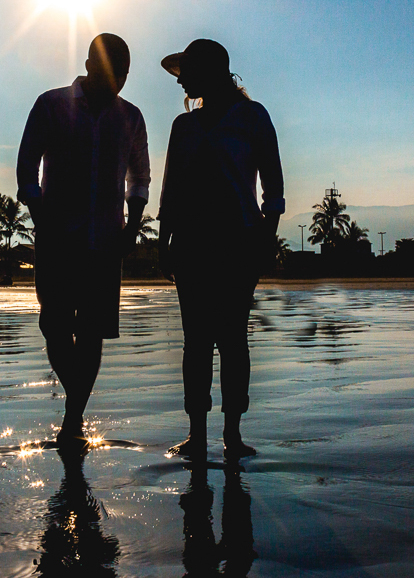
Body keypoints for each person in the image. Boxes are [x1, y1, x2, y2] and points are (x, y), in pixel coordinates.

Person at [17, 33, 150, 448]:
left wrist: (133, 224)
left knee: (92, 334)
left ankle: (72, 420)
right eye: (112, 71)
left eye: (125, 74)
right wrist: (41, 218)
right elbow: (27, 167)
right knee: (53, 327)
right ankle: (76, 406)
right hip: (57, 240)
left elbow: (139, 176)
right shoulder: (51, 105)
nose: (118, 82)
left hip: (106, 242)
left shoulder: (131, 117)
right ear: (89, 64)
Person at [157, 38, 284, 460]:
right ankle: (197, 434)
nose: (181, 83)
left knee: (231, 339)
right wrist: (163, 242)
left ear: (209, 72)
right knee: (196, 342)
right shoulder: (184, 126)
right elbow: (170, 190)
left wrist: (268, 236)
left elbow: (273, 185)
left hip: (239, 241)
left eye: (186, 74)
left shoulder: (252, 117)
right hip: (190, 243)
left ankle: (232, 434)